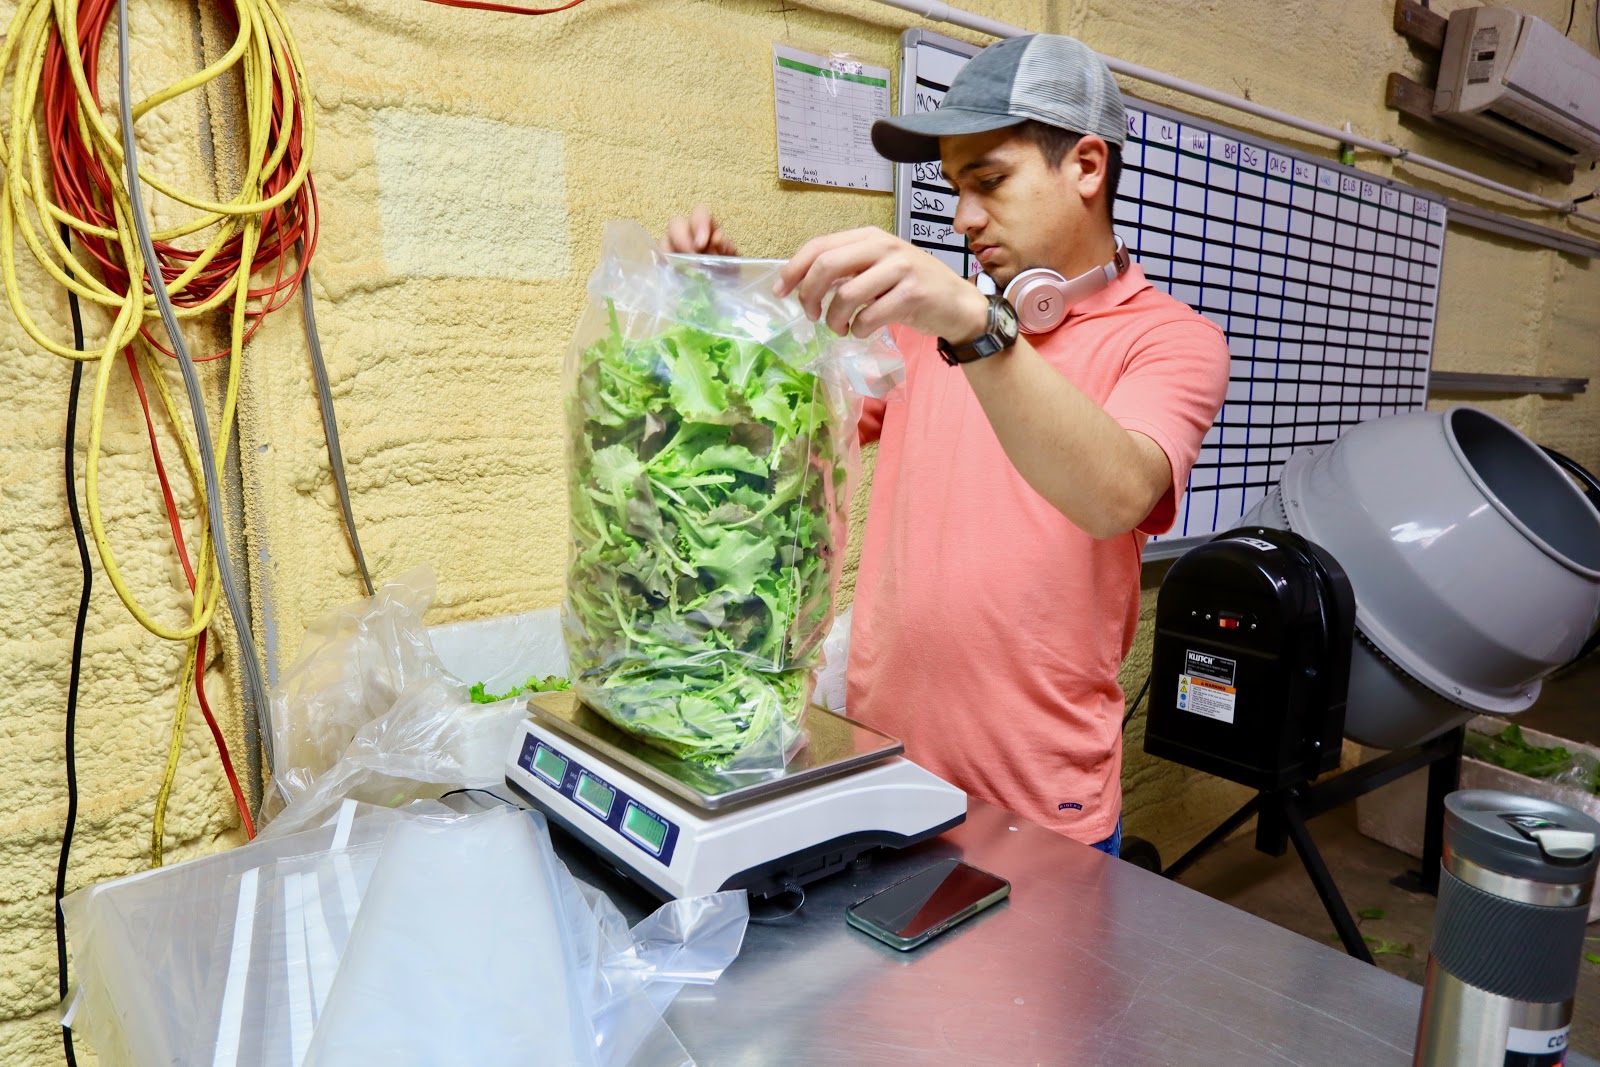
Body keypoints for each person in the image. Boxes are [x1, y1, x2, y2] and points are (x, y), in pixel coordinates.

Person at [663, 34, 1228, 855]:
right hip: (878, 765)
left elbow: (1117, 495)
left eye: (989, 182)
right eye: (956, 189)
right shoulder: (923, 331)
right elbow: (773, 450)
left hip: (1039, 805)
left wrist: (973, 321)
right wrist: (718, 313)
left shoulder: (1170, 341)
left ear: (1088, 168)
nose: (964, 218)